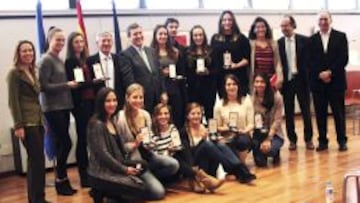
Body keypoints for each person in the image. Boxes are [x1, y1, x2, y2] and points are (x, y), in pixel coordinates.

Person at [87, 87, 162, 202]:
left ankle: (112, 195)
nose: (112, 104)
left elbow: (121, 150)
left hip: (119, 163)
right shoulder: (97, 124)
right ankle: (106, 194)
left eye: (114, 100)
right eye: (108, 101)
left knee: (144, 165)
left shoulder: (112, 120)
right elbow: (104, 155)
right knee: (139, 188)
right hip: (102, 171)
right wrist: (125, 169)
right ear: (100, 102)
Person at [7, 40, 50, 203]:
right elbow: (13, 101)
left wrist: (43, 121)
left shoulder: (32, 71)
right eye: (24, 51)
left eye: (30, 51)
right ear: (18, 53)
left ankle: (39, 198)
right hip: (26, 123)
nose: (28, 54)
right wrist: (18, 125)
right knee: (36, 162)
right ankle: (36, 199)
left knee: (38, 161)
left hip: (37, 120)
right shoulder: (14, 74)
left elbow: (36, 100)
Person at [38, 27, 78, 195]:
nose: (61, 43)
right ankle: (60, 179)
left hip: (63, 107)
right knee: (66, 143)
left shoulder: (58, 59)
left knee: (63, 144)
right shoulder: (45, 60)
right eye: (57, 40)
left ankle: (62, 182)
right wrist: (66, 85)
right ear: (49, 40)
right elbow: (43, 86)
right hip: (52, 108)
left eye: (63, 40)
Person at [151, 103, 224, 193]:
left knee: (183, 147)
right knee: (178, 154)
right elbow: (153, 156)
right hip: (163, 164)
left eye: (166, 113)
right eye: (160, 114)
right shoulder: (151, 132)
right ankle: (201, 177)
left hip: (179, 162)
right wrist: (167, 152)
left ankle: (196, 178)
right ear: (155, 116)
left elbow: (178, 146)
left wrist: (173, 149)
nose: (163, 116)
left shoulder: (172, 128)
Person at [117, 84, 179, 185]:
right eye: (135, 97)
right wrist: (135, 144)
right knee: (158, 193)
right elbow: (120, 148)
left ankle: (150, 177)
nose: (138, 100)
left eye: (141, 97)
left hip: (149, 155)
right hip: (135, 160)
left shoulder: (145, 114)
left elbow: (151, 138)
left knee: (174, 165)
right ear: (127, 98)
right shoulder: (121, 118)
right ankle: (143, 180)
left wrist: (156, 144)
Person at [181, 102, 256, 183]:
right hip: (196, 163)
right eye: (193, 114)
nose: (196, 116)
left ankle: (239, 170)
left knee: (220, 144)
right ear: (187, 116)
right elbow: (188, 154)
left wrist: (216, 138)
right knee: (207, 144)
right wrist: (202, 140)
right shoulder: (184, 131)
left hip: (210, 162)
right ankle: (240, 170)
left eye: (198, 113)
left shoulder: (206, 126)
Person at [309, 10, 349, 152]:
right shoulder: (312, 39)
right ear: (318, 22)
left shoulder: (341, 36)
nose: (323, 22)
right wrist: (320, 74)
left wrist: (330, 72)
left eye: (326, 19)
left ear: (331, 20)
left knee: (339, 113)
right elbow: (310, 61)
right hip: (318, 83)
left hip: (336, 81)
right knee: (320, 114)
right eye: (321, 19)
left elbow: (343, 58)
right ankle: (322, 142)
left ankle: (342, 141)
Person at [64, 31, 97, 187]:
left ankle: (93, 171)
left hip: (91, 103)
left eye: (81, 41)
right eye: (76, 42)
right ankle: (83, 175)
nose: (79, 44)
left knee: (92, 138)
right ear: (71, 45)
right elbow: (78, 84)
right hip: (80, 104)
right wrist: (95, 82)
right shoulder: (70, 62)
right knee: (82, 138)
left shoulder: (86, 60)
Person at [278, 15, 314, 151]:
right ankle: (292, 140)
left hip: (302, 80)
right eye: (282, 26)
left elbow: (311, 61)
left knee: (306, 111)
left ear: (293, 26)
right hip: (287, 82)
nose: (284, 28)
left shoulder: (305, 41)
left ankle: (308, 139)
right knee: (288, 112)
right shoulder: (279, 43)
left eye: (286, 25)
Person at [119, 23, 167, 113]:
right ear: (129, 37)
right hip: (142, 99)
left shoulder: (151, 51)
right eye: (135, 34)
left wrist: (163, 91)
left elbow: (159, 73)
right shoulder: (125, 55)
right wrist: (137, 98)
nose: (139, 36)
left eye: (140, 33)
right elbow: (129, 80)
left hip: (157, 96)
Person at [150, 24, 187, 129]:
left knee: (177, 113)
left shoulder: (175, 52)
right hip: (160, 88)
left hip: (174, 86)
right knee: (162, 115)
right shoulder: (151, 52)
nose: (163, 36)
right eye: (160, 34)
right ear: (155, 36)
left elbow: (180, 70)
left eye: (165, 34)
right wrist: (161, 72)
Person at [86, 31, 133, 108]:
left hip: (118, 101)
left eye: (109, 41)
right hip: (99, 102)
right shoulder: (90, 61)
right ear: (97, 43)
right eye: (103, 41)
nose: (106, 43)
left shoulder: (119, 59)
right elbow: (88, 82)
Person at [214, 74, 253, 163]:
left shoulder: (246, 101)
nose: (231, 87)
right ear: (224, 87)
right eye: (228, 84)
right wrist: (227, 128)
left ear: (238, 86)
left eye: (234, 84)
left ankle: (241, 165)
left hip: (242, 136)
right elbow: (217, 127)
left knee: (242, 140)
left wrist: (244, 131)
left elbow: (251, 124)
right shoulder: (219, 105)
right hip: (227, 137)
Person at [211, 10, 251, 98]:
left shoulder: (241, 38)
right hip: (221, 78)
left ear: (233, 22)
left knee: (240, 104)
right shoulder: (215, 38)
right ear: (221, 22)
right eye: (224, 20)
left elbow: (247, 59)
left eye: (229, 20)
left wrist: (236, 65)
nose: (227, 22)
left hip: (238, 76)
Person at [185, 25, 217, 120]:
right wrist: (194, 73)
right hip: (193, 89)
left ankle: (210, 133)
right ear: (192, 37)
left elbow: (217, 69)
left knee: (209, 115)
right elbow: (185, 71)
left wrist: (208, 72)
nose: (198, 37)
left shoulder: (212, 51)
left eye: (200, 35)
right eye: (195, 35)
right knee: (194, 114)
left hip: (208, 88)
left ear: (204, 36)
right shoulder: (187, 52)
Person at [252, 73, 284, 167]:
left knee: (270, 151)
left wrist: (268, 139)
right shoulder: (251, 98)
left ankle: (275, 151)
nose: (259, 84)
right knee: (260, 163)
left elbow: (277, 121)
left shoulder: (277, 97)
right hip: (258, 133)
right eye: (257, 82)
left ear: (267, 83)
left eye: (262, 82)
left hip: (274, 133)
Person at [248, 16, 283, 89]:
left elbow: (278, 62)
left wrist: (280, 77)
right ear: (254, 30)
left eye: (263, 27)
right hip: (257, 81)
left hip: (271, 80)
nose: (260, 29)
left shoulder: (274, 43)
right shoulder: (250, 44)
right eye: (258, 27)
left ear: (266, 28)